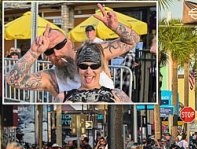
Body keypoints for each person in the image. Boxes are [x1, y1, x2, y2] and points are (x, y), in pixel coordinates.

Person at [6, 4, 140, 99]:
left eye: (59, 46)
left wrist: (116, 26)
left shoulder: (93, 53)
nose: (56, 54)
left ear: (69, 42)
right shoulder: (50, 78)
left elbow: (132, 41)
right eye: (49, 52)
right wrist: (34, 52)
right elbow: (13, 81)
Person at [56, 42, 131, 103]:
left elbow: (135, 117)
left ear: (101, 68)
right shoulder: (62, 97)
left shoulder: (117, 95)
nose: (88, 71)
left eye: (94, 66)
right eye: (83, 66)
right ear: (77, 68)